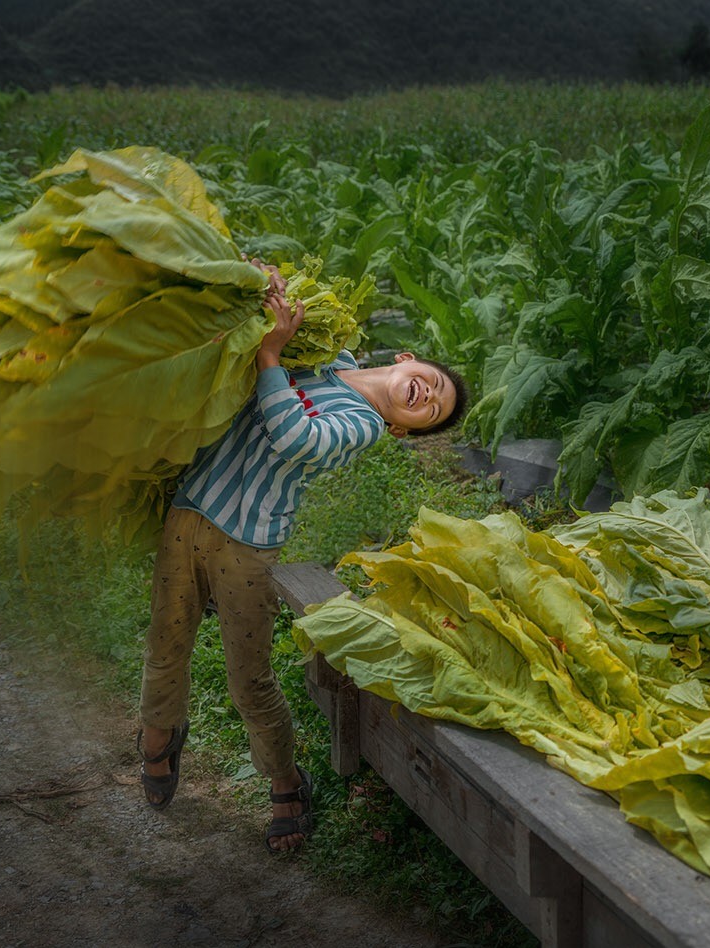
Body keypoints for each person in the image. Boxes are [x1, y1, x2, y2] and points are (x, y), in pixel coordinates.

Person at [136, 261, 466, 852]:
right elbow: (263, 323)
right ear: (405, 361)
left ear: (402, 432)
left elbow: (297, 436)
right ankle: (158, 740)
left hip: (248, 544)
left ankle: (286, 782)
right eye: (432, 382)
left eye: (429, 412)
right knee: (165, 643)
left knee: (248, 679)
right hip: (187, 513)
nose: (426, 396)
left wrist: (270, 360)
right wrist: (264, 287)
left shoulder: (361, 423)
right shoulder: (326, 355)